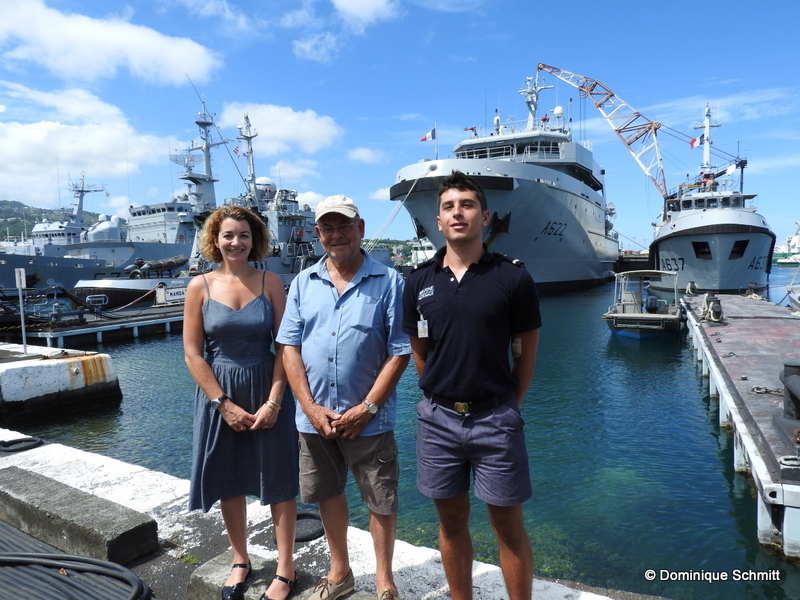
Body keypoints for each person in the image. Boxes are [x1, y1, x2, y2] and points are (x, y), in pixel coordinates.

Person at [401, 171, 541, 600]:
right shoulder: (419, 281)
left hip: (495, 418)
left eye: (466, 205)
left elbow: (526, 356)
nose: (457, 212)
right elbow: (420, 354)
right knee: (451, 523)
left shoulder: (513, 278)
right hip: (438, 419)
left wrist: (505, 406)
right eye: (448, 206)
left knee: (509, 527)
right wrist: (442, 395)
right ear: (438, 221)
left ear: (485, 216)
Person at [277, 195, 410, 600]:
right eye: (328, 228)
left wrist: (367, 408)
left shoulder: (390, 282)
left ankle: (384, 579)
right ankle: (341, 571)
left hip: (371, 418)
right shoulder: (302, 282)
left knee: (380, 499)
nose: (337, 235)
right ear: (318, 235)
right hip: (314, 419)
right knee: (328, 494)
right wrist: (310, 407)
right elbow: (289, 349)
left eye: (345, 226)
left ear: (361, 229)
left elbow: (399, 351)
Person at [184, 205, 298, 600]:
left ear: (256, 240)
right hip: (219, 394)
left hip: (268, 388)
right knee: (229, 480)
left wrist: (274, 402)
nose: (236, 242)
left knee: (280, 479)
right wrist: (222, 404)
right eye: (228, 235)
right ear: (215, 240)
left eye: (244, 235)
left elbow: (286, 346)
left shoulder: (271, 281)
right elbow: (193, 354)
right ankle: (240, 559)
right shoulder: (199, 286)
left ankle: (285, 569)